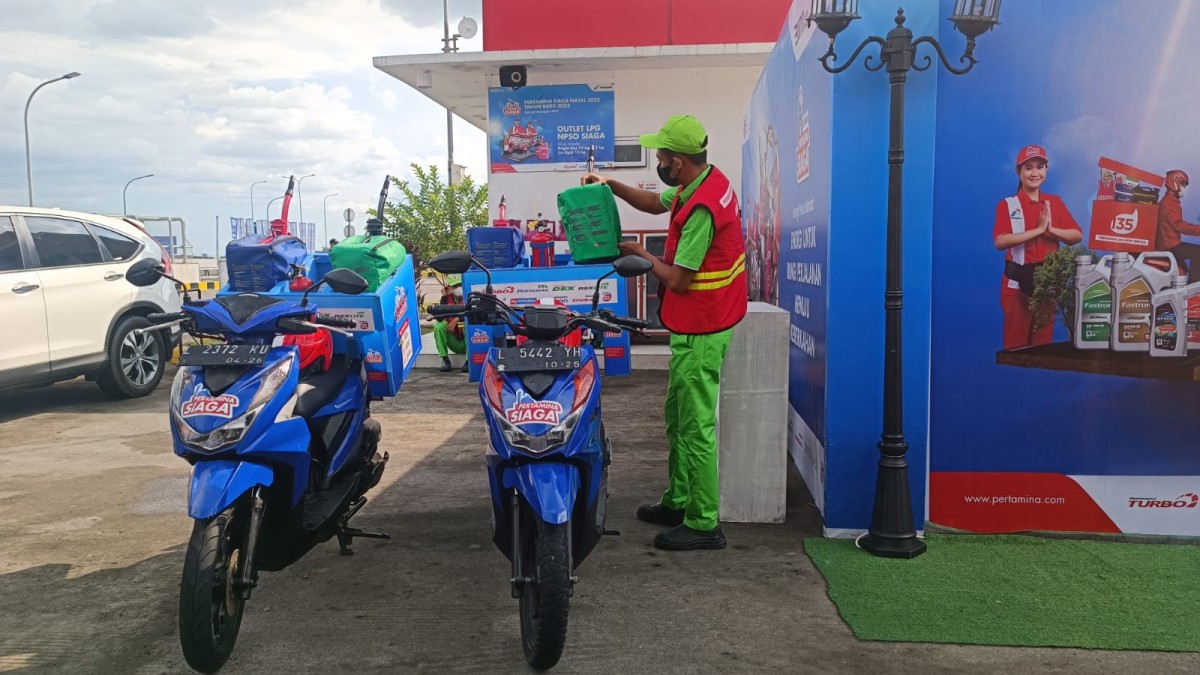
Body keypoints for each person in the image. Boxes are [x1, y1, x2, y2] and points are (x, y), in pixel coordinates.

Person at [581, 114, 748, 551]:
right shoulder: (703, 181)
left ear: (677, 163)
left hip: (704, 325)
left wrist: (639, 253)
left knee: (695, 427)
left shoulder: (702, 211)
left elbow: (677, 280)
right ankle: (678, 499)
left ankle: (703, 523)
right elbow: (655, 204)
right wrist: (609, 185)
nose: (657, 162)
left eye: (660, 156)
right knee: (677, 418)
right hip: (696, 321)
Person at [993, 144, 1082, 350]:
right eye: (1029, 167)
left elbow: (1076, 235)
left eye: (1040, 167)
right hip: (1016, 285)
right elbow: (1000, 241)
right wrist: (1037, 230)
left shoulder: (1054, 202)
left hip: (1046, 284)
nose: (1035, 173)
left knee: (1042, 346)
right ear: (1019, 171)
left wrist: (1051, 231)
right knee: (1015, 348)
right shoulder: (1008, 205)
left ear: (1046, 170)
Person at [1155, 170, 1200, 283]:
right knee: (1198, 252)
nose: (1185, 188)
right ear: (1174, 183)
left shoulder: (1171, 201)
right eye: (1183, 184)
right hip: (1169, 245)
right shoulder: (1169, 203)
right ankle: (1194, 289)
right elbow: (1179, 225)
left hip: (1169, 243)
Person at [433, 277, 468, 372]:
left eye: (460, 285)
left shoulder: (469, 296)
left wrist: (457, 319)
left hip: (467, 342)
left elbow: (473, 313)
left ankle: (469, 360)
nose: (459, 288)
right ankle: (445, 359)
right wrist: (444, 297)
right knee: (439, 326)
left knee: (468, 324)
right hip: (454, 342)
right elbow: (439, 317)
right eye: (455, 286)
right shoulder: (447, 299)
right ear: (449, 288)